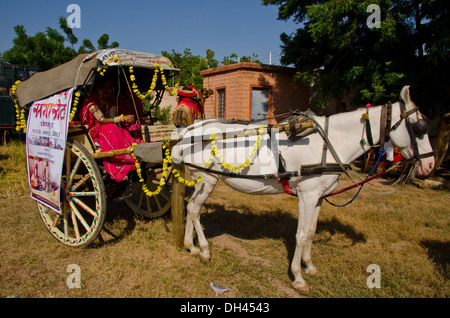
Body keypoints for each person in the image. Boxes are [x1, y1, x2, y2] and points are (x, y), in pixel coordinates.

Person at [80, 77, 142, 182]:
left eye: (109, 88)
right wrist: (121, 118)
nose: (107, 90)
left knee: (121, 126)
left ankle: (135, 150)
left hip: (106, 127)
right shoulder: (91, 101)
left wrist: (123, 120)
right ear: (99, 89)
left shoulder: (110, 101)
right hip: (92, 130)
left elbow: (113, 119)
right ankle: (123, 161)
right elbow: (102, 120)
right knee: (111, 127)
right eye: (104, 87)